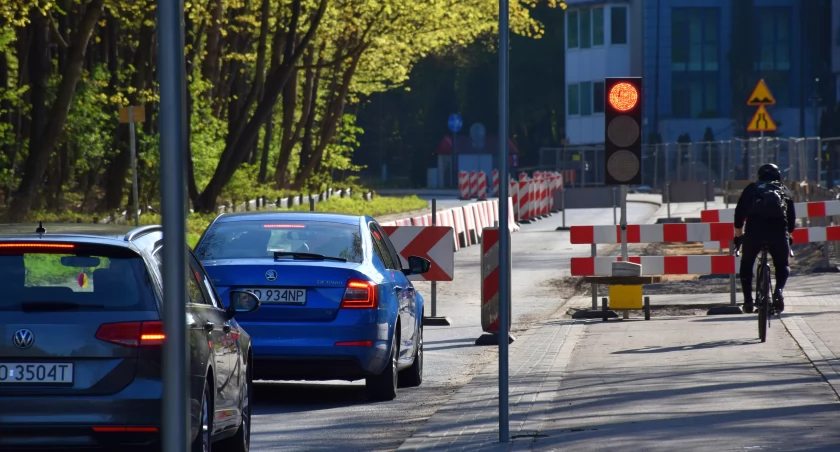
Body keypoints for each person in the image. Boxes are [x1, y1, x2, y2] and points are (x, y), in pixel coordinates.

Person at [733, 163, 796, 314]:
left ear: (759, 176)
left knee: (747, 263)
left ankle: (748, 301)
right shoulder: (783, 190)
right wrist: (789, 234)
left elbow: (739, 213)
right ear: (778, 175)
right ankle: (778, 292)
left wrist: (739, 235)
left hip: (754, 232)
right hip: (778, 232)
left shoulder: (751, 189)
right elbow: (792, 218)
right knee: (782, 264)